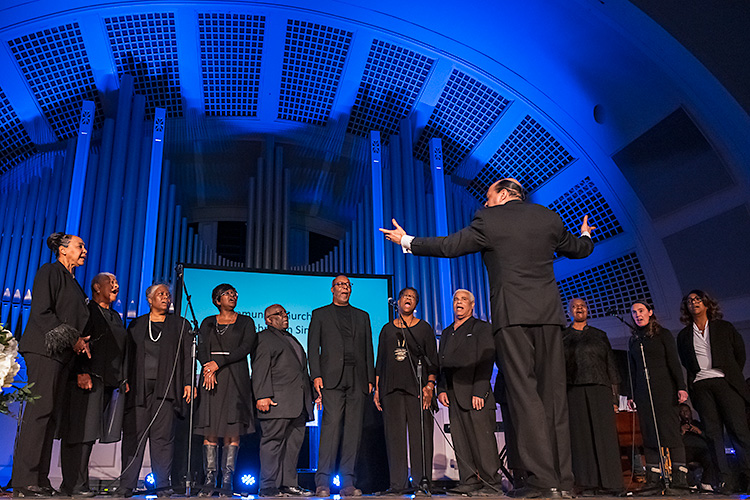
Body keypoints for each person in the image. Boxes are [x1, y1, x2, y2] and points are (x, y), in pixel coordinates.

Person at [381, 178, 595, 497]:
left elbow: (450, 246)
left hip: (512, 318)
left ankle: (543, 482)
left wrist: (407, 240)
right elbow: (579, 250)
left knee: (526, 397)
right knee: (554, 398)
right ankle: (563, 481)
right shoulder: (548, 217)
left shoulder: (489, 219)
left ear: (505, 194)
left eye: (489, 196)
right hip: (550, 318)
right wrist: (586, 234)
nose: (485, 201)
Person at [12, 232, 91, 498]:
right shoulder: (50, 271)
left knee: (50, 416)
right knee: (39, 414)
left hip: (62, 355)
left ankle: (40, 479)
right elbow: (43, 312)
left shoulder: (74, 283)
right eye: (80, 246)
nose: (84, 251)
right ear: (62, 249)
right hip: (44, 351)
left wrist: (79, 341)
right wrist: (74, 339)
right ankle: (24, 481)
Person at [118, 283, 193, 498]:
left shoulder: (180, 324)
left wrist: (188, 382)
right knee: (134, 435)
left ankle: (162, 485)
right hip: (138, 388)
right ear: (149, 300)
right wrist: (124, 379)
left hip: (166, 389)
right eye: (160, 294)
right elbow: (127, 356)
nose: (166, 298)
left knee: (163, 439)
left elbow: (188, 357)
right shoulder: (137, 324)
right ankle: (127, 484)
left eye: (168, 295)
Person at [60, 273, 128, 497]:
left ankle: (78, 483)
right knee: (80, 434)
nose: (116, 285)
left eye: (117, 282)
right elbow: (77, 341)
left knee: (90, 435)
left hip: (106, 382)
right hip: (87, 379)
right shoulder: (87, 310)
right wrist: (81, 371)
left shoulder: (116, 316)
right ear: (97, 287)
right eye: (111, 282)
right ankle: (74, 485)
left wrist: (122, 379)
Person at [676, 289, 750, 494]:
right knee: (713, 435)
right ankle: (725, 481)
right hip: (701, 386)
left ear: (707, 303)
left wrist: (728, 374)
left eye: (698, 299)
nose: (694, 303)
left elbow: (739, 354)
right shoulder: (683, 335)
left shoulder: (724, 327)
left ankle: (748, 476)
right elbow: (686, 361)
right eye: (690, 301)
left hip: (725, 383)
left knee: (739, 432)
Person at [307, 275, 375, 497]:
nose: (345, 288)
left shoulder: (362, 316)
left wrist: (370, 377)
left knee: (353, 431)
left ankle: (347, 481)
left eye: (347, 285)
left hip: (357, 378)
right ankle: (323, 482)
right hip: (331, 378)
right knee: (330, 429)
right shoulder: (320, 314)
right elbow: (313, 348)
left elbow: (368, 350)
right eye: (340, 285)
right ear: (332, 289)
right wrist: (316, 375)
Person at [374, 287, 438, 495]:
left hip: (417, 389)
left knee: (420, 436)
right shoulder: (386, 329)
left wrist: (429, 386)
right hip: (391, 389)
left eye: (412, 297)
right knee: (395, 438)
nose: (408, 299)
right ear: (399, 302)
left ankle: (421, 483)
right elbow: (381, 361)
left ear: (415, 304)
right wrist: (377, 389)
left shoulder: (424, 328)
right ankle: (397, 484)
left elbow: (432, 362)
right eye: (405, 296)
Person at [437, 289, 501, 495]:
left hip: (475, 394)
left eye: (464, 299)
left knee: (482, 441)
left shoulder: (482, 328)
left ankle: (492, 482)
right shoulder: (447, 332)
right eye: (456, 299)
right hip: (454, 394)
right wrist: (442, 388)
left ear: (472, 305)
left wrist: (479, 391)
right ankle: (469, 479)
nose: (459, 302)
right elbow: (442, 364)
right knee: (460, 440)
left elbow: (486, 361)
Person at [196, 284, 257, 497]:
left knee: (232, 430)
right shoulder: (208, 322)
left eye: (234, 294)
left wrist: (217, 363)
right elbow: (201, 348)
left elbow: (245, 347)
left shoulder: (246, 322)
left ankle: (227, 481)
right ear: (216, 299)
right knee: (210, 428)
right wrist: (207, 367)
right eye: (227, 294)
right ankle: (210, 479)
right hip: (211, 379)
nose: (232, 296)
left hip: (235, 377)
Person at [562, 298, 622, 495]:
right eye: (575, 307)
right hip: (574, 390)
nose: (579, 309)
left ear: (587, 310)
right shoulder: (563, 336)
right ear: (569, 312)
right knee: (581, 438)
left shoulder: (599, 335)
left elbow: (610, 364)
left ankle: (612, 483)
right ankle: (587, 483)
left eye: (583, 306)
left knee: (605, 437)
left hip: (600, 387)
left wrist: (615, 397)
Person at [253, 304, 315, 498]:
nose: (284, 316)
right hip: (277, 401)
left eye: (285, 313)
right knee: (272, 444)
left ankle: (288, 484)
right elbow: (260, 369)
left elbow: (300, 371)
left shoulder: (290, 338)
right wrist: (262, 395)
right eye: (278, 314)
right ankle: (268, 486)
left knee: (293, 445)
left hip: (298, 403)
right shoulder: (263, 338)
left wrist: (312, 394)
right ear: (268, 320)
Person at [628, 300, 689, 490]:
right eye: (634, 312)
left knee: (669, 432)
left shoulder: (663, 334)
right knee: (649, 434)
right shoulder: (634, 339)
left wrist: (681, 386)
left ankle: (679, 479)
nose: (637, 315)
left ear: (650, 312)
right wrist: (631, 394)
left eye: (641, 310)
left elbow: (673, 361)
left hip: (664, 389)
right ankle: (653, 479)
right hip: (643, 392)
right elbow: (632, 369)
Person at [679, 403, 718, 490]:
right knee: (682, 459)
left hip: (701, 449)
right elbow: (675, 441)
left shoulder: (698, 424)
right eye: (681, 411)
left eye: (686, 411)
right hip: (687, 448)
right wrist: (682, 432)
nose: (684, 413)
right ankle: (691, 484)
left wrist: (699, 431)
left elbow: (709, 438)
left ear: (690, 412)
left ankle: (706, 482)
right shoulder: (678, 426)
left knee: (709, 457)